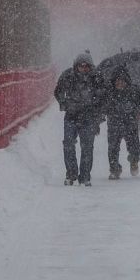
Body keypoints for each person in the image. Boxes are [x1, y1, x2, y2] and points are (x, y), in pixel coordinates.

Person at [54, 52, 106, 186]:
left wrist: (99, 115)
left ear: (90, 66)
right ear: (76, 66)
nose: (83, 68)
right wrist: (64, 103)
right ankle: (71, 173)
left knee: (87, 147)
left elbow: (103, 98)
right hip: (71, 116)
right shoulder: (68, 76)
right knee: (68, 144)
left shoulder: (96, 78)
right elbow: (58, 91)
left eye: (86, 66)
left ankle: (85, 176)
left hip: (89, 117)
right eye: (81, 65)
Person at [103, 65, 140, 179]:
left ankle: (134, 161)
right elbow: (102, 105)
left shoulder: (134, 90)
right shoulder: (109, 92)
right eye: (117, 80)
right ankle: (114, 169)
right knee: (113, 148)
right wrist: (104, 112)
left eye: (122, 80)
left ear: (127, 81)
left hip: (130, 124)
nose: (120, 83)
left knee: (134, 147)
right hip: (114, 124)